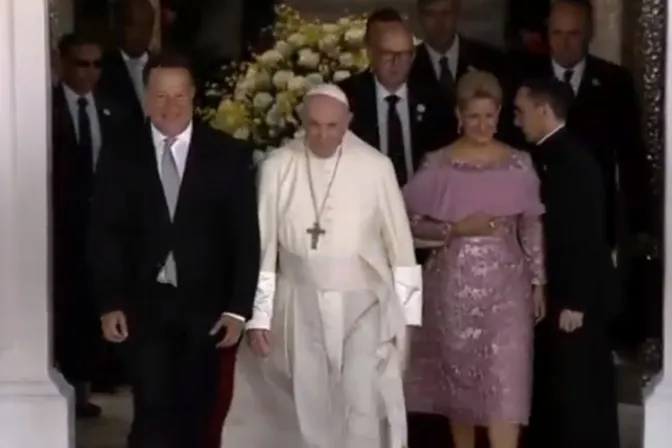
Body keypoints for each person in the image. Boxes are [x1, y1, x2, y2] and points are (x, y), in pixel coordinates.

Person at [220, 83, 422, 448]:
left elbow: (402, 250)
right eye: (315, 125)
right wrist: (260, 317)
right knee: (309, 404)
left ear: (348, 122)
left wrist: (409, 322)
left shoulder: (376, 166)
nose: (324, 135)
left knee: (361, 398)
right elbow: (264, 247)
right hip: (299, 301)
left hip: (363, 303)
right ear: (302, 122)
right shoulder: (278, 166)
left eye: (333, 126)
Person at [88, 51, 260, 448]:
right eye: (160, 96)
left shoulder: (227, 156)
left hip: (206, 310)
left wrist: (238, 308)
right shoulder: (120, 152)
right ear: (147, 98)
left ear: (194, 96)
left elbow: (244, 238)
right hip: (142, 306)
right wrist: (109, 301)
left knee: (197, 413)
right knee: (152, 410)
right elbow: (104, 233)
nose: (170, 107)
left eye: (179, 96)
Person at [403, 71, 546, 448]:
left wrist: (538, 281)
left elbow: (531, 224)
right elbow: (410, 223)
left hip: (508, 294)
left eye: (489, 115)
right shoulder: (437, 163)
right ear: (459, 115)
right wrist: (456, 230)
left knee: (506, 390)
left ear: (500, 114)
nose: (482, 124)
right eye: (473, 116)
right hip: (452, 290)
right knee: (460, 396)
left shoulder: (519, 163)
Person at [513, 77, 619, 448]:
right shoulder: (550, 155)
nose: (517, 120)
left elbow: (585, 233)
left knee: (577, 398)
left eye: (521, 112)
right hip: (558, 293)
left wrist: (575, 300)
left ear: (544, 111)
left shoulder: (572, 160)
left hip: (576, 301)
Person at [51, 31, 127, 419]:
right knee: (62, 309)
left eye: (97, 64)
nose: (90, 73)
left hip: (100, 228)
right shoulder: (45, 109)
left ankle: (85, 387)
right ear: (62, 63)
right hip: (58, 229)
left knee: (92, 307)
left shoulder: (111, 110)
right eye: (82, 63)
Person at [339, 19, 454, 185]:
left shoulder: (435, 99)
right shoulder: (347, 97)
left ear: (413, 57)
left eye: (403, 54)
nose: (396, 62)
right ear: (372, 54)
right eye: (388, 54)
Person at [410, 0, 516, 143]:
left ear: (457, 13)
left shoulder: (491, 60)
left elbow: (506, 118)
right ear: (420, 17)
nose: (439, 23)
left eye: (446, 13)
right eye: (431, 14)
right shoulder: (408, 66)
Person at [98, 0, 155, 128]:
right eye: (133, 25)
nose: (140, 34)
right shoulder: (102, 68)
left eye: (146, 26)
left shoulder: (162, 66)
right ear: (118, 25)